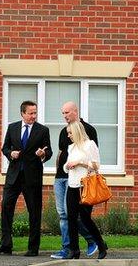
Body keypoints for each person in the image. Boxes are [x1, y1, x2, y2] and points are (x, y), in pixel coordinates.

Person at [0, 100, 52, 256]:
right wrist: (10, 153)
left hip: (32, 178)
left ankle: (33, 249)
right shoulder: (13, 128)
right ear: (22, 113)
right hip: (13, 176)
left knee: (34, 212)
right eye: (30, 113)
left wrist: (43, 154)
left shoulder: (43, 130)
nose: (33, 116)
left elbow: (48, 151)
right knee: (6, 208)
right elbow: (5, 148)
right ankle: (5, 245)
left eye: (35, 113)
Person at [51, 101, 99, 259]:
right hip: (62, 178)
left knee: (76, 216)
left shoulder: (89, 131)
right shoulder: (64, 132)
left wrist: (80, 165)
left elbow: (94, 160)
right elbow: (61, 154)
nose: (64, 116)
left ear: (75, 111)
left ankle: (93, 240)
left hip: (80, 182)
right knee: (64, 215)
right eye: (63, 113)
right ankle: (67, 249)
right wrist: (57, 174)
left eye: (67, 112)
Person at [63, 120, 107, 259]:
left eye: (70, 133)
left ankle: (101, 245)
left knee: (85, 218)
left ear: (77, 131)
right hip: (72, 186)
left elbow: (96, 166)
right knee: (71, 218)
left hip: (85, 187)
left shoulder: (90, 145)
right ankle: (74, 251)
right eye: (68, 133)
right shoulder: (71, 147)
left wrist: (80, 163)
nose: (69, 135)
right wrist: (68, 165)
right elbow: (65, 167)